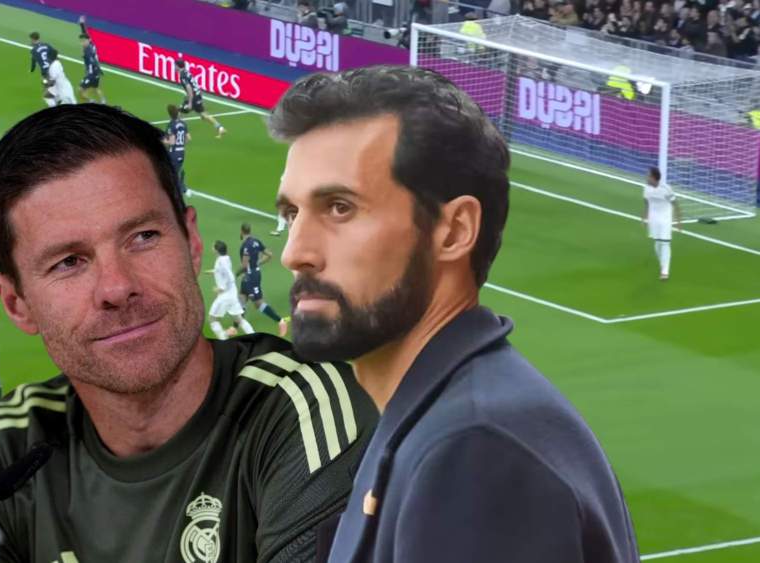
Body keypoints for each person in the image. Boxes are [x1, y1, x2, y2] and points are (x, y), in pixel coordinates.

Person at [0, 104, 377, 562]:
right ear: (16, 303)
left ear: (191, 242)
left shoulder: (308, 412)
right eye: (69, 262)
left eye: (143, 237)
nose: (117, 288)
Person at [269, 65, 640, 562]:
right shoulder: (436, 416)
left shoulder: (474, 452)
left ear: (455, 231)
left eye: (340, 207)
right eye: (291, 214)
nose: (295, 253)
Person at [238, 223, 289, 337]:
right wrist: (257, 263)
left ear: (241, 231)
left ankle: (280, 321)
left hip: (251, 276)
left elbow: (244, 265)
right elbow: (269, 254)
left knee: (257, 303)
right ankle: (236, 327)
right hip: (252, 274)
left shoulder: (245, 246)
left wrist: (235, 274)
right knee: (242, 297)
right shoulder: (256, 241)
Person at [207, 241, 254, 340]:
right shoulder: (226, 258)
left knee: (212, 319)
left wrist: (221, 288)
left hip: (225, 296)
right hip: (232, 294)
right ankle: (254, 337)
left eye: (213, 246)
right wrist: (213, 272)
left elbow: (230, 275)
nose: (212, 248)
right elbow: (222, 270)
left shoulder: (221, 261)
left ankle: (223, 339)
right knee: (239, 319)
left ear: (216, 250)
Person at [643, 166, 681, 280]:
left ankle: (665, 271)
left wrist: (678, 221)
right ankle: (663, 264)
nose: (646, 177)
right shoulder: (646, 189)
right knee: (657, 244)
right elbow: (646, 203)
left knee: (665, 243)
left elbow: (675, 204)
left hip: (665, 220)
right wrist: (644, 218)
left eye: (648, 176)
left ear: (653, 177)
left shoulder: (666, 189)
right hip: (653, 220)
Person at [175, 58, 226, 138]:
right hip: (197, 95)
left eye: (175, 66)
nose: (174, 67)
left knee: (179, 111)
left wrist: (190, 102)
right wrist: (190, 97)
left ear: (178, 66)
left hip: (193, 97)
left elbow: (189, 88)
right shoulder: (187, 72)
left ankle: (177, 130)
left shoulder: (182, 76)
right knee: (203, 115)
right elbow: (194, 85)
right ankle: (220, 127)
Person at [162, 104, 191, 196]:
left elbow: (172, 142)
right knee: (175, 170)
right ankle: (182, 188)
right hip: (181, 152)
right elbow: (188, 138)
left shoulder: (171, 125)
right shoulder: (183, 123)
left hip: (173, 153)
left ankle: (182, 189)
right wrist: (181, 144)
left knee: (171, 172)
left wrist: (163, 141)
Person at [77, 16, 107, 104]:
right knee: (96, 88)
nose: (82, 42)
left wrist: (96, 69)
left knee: (80, 90)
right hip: (96, 72)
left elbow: (92, 60)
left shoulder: (88, 50)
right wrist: (82, 24)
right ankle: (103, 102)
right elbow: (85, 34)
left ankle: (91, 101)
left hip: (91, 74)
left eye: (84, 41)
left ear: (88, 40)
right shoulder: (91, 45)